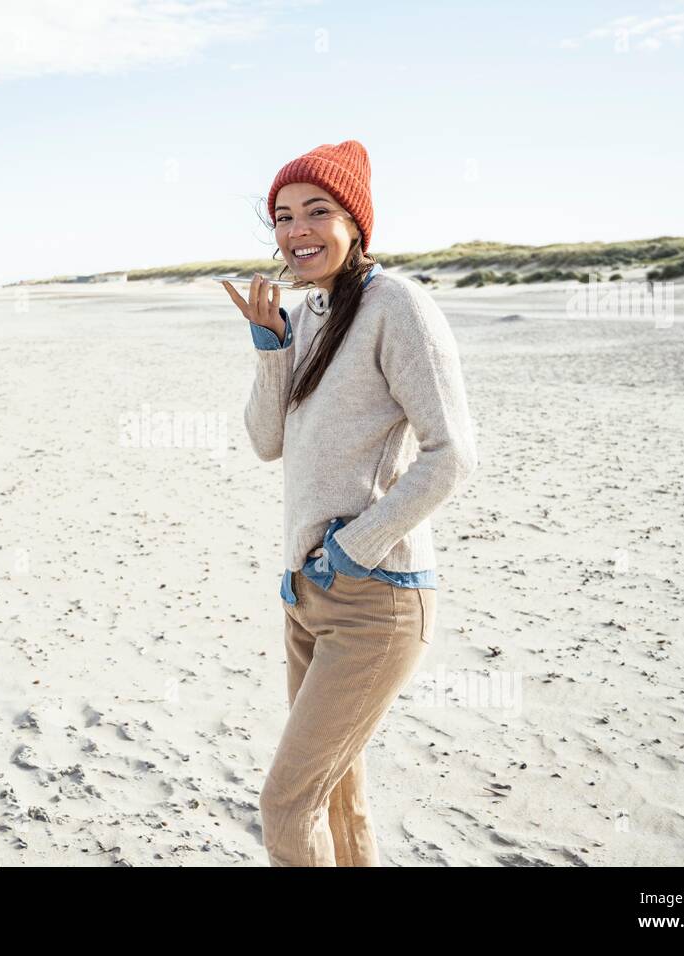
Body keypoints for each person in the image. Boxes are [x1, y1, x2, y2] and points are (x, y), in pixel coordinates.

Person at [221, 139, 479, 866]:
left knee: (285, 802)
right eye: (282, 216)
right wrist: (271, 348)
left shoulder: (398, 305)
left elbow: (452, 453)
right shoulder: (307, 316)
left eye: (316, 212)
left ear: (356, 223)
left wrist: (350, 549)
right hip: (305, 595)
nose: (296, 230)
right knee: (338, 797)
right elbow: (265, 440)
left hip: (375, 598)